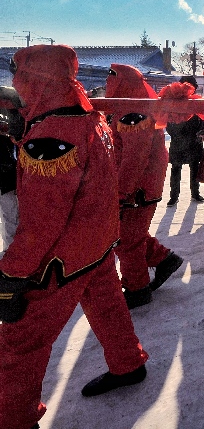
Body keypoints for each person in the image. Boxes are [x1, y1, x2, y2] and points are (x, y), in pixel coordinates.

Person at [0, 45, 148, 429]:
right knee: (106, 304)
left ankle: (14, 419)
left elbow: (40, 223)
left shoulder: (51, 134)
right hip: (96, 243)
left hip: (60, 257)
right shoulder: (89, 117)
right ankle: (128, 363)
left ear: (35, 78)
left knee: (20, 342)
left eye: (21, 75)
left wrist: (12, 272)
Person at [106, 64, 184, 309]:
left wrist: (120, 192)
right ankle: (163, 259)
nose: (108, 84)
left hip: (136, 188)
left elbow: (134, 157)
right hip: (139, 185)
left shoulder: (133, 112)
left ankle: (137, 289)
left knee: (125, 239)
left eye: (112, 79)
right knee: (129, 233)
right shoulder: (130, 107)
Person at [164, 76, 204, 205]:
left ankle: (177, 196)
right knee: (187, 169)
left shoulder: (194, 102)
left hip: (187, 141)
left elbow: (168, 123)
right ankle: (189, 195)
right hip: (185, 141)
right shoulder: (178, 102)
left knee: (184, 169)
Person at [0, 87, 23, 252]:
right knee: (12, 218)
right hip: (8, 174)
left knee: (12, 218)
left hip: (7, 174)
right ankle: (12, 252)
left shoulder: (8, 100)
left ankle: (12, 252)